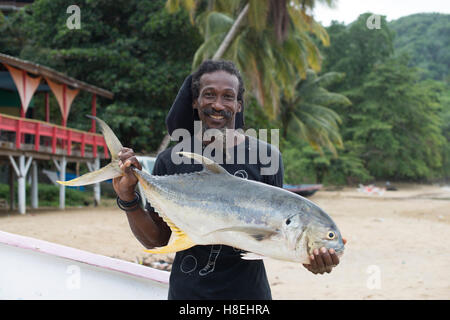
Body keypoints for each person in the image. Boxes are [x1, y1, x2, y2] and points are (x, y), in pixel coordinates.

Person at [113, 60, 345, 299]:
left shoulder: (267, 158)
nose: (217, 104)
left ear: (238, 104)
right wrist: (128, 198)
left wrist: (308, 258)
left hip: (249, 296)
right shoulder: (171, 160)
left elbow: (275, 234)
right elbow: (157, 239)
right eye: (209, 95)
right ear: (195, 101)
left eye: (228, 96)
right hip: (188, 296)